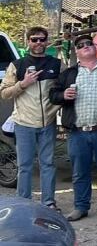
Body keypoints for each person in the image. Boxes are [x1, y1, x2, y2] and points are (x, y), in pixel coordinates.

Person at [49, 34, 97, 222]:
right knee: (79, 172)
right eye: (81, 45)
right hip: (77, 132)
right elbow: (53, 95)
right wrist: (63, 94)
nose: (85, 47)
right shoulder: (68, 73)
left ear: (95, 47)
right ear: (76, 51)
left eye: (89, 44)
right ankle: (80, 207)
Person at [0, 27, 61, 210]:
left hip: (47, 123)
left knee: (48, 164)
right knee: (24, 166)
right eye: (34, 40)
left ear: (47, 41)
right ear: (28, 41)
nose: (38, 43)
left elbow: (62, 90)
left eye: (42, 40)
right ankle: (23, 203)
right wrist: (23, 84)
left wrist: (56, 108)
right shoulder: (17, 65)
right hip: (24, 123)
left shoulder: (56, 64)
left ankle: (48, 202)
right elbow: (4, 93)